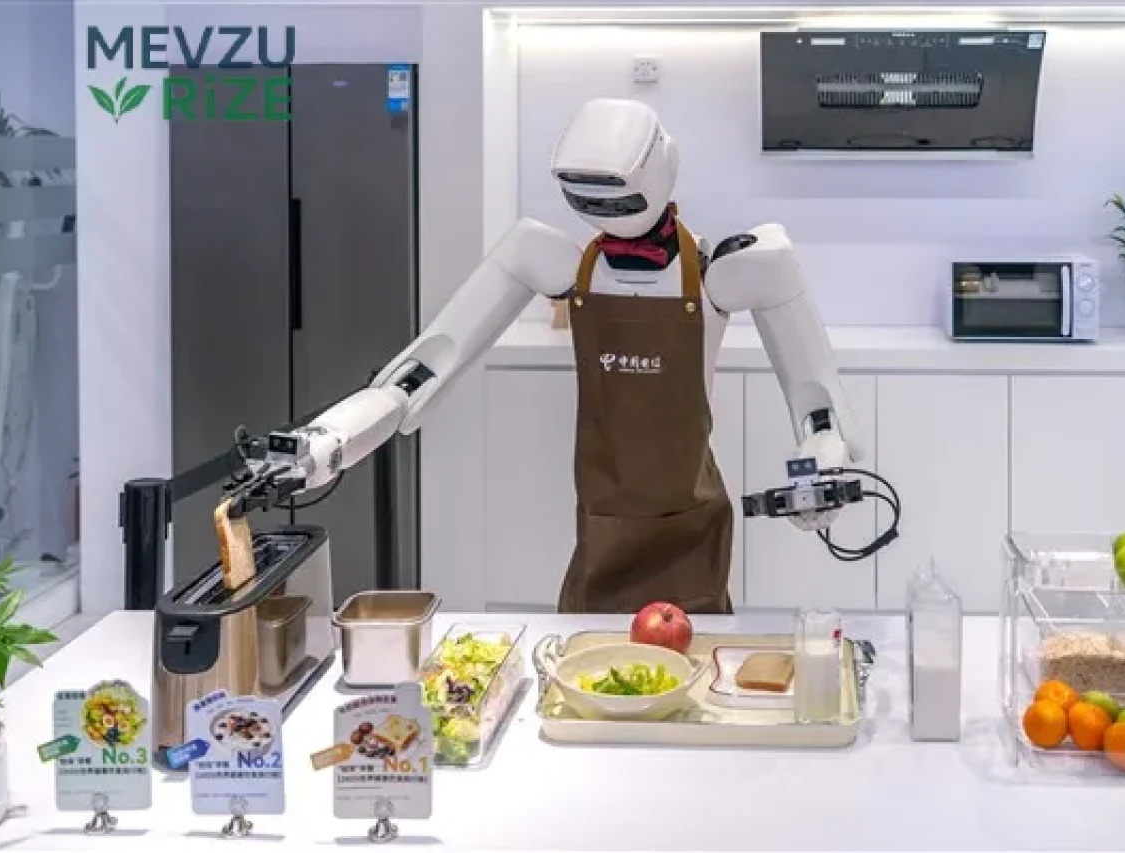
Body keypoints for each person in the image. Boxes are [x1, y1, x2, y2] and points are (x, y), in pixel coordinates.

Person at [243, 98, 866, 616]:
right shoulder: (549, 260)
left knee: (693, 678)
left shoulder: (727, 272)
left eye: (616, 198)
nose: (605, 214)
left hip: (691, 526)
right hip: (600, 522)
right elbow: (427, 367)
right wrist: (330, 440)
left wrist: (821, 466)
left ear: (661, 169)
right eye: (588, 199)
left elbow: (817, 399)